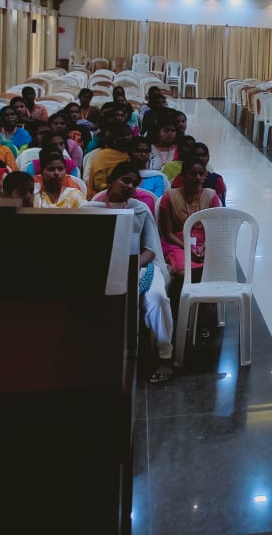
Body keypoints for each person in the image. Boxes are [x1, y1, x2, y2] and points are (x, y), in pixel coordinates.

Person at [87, 162, 173, 383]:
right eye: (125, 180)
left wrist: (132, 266)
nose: (129, 186)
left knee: (157, 297)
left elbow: (151, 250)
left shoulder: (140, 209)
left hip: (141, 266)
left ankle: (164, 356)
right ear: (111, 181)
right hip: (104, 269)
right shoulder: (91, 207)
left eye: (134, 184)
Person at [158, 158, 223, 277]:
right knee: (185, 273)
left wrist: (204, 246)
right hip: (178, 244)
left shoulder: (211, 195)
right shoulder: (169, 197)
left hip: (206, 243)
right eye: (193, 174)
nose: (197, 178)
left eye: (201, 174)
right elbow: (167, 233)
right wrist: (187, 247)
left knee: (218, 270)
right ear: (183, 175)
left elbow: (216, 230)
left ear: (205, 176)